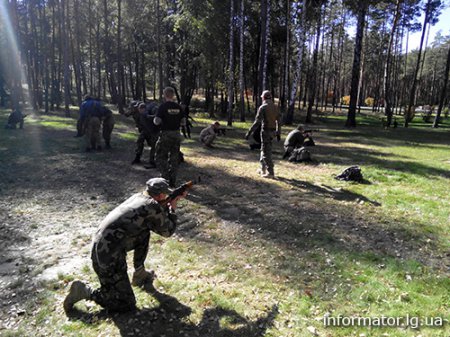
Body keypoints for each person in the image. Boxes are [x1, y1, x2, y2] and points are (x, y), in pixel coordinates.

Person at [63, 178, 187, 313]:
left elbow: (149, 218)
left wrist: (166, 206)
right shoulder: (152, 206)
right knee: (126, 303)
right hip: (108, 256)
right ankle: (85, 292)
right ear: (158, 195)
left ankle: (139, 272)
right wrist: (173, 208)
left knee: (143, 232)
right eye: (164, 194)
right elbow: (167, 231)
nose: (166, 196)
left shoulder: (139, 197)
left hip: (102, 247)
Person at [154, 87, 186, 187]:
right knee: (174, 157)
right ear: (173, 95)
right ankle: (173, 180)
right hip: (176, 134)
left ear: (164, 95)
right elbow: (183, 122)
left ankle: (165, 178)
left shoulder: (162, 107)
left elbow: (157, 121)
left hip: (166, 134)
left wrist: (155, 119)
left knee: (160, 156)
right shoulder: (179, 107)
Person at [245, 90, 281, 178]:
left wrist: (249, 132)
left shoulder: (263, 107)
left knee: (266, 152)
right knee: (264, 149)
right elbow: (279, 122)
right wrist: (278, 132)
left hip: (266, 131)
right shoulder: (276, 107)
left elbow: (257, 122)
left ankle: (270, 172)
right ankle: (263, 168)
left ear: (264, 98)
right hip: (273, 132)